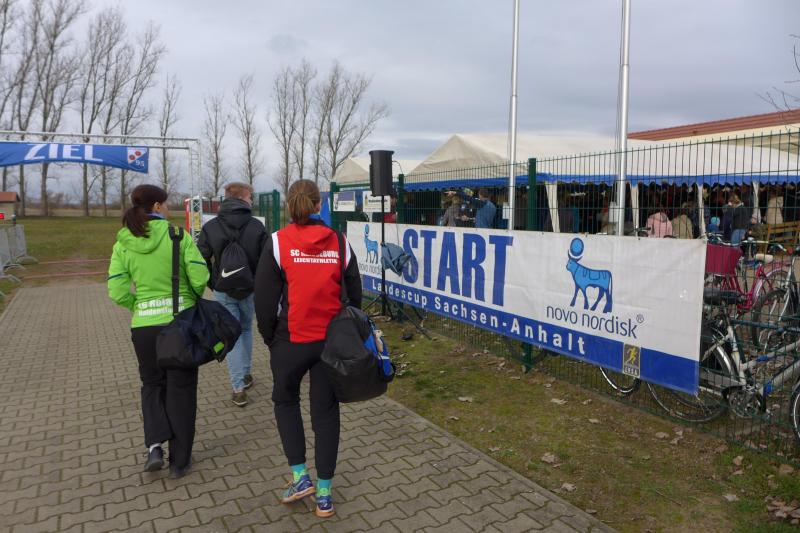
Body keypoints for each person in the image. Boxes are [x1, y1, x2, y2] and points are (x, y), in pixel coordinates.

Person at [254, 179, 362, 518]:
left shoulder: (277, 241)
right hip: (330, 343)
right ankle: (325, 495)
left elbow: (264, 299)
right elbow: (355, 295)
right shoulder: (340, 242)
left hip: (291, 341)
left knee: (286, 402)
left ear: (289, 205)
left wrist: (270, 338)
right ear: (319, 205)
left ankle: (300, 477)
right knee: (326, 413)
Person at [107, 184, 209, 479]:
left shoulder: (123, 242)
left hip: (144, 328)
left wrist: (139, 306)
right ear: (156, 206)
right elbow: (200, 277)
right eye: (165, 204)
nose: (167, 208)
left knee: (151, 385)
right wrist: (188, 300)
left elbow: (116, 291)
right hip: (179, 325)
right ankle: (179, 461)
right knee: (181, 390)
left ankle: (154, 446)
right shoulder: (178, 236)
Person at [197, 182, 267, 407]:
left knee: (231, 335)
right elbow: (266, 260)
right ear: (244, 198)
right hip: (249, 289)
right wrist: (257, 283)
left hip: (223, 290)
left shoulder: (211, 226)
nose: (252, 201)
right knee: (245, 329)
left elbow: (200, 259)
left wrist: (213, 283)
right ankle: (245, 375)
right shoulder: (257, 226)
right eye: (251, 197)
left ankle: (238, 388)